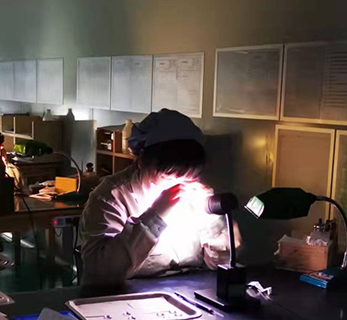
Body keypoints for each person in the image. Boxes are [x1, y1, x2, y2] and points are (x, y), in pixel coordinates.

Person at [80, 109, 236, 286]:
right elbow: (101, 272)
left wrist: (212, 218)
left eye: (188, 178)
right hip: (126, 293)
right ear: (142, 162)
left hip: (186, 289)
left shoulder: (194, 193)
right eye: (169, 177)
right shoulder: (111, 198)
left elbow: (220, 261)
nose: (179, 186)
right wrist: (156, 215)